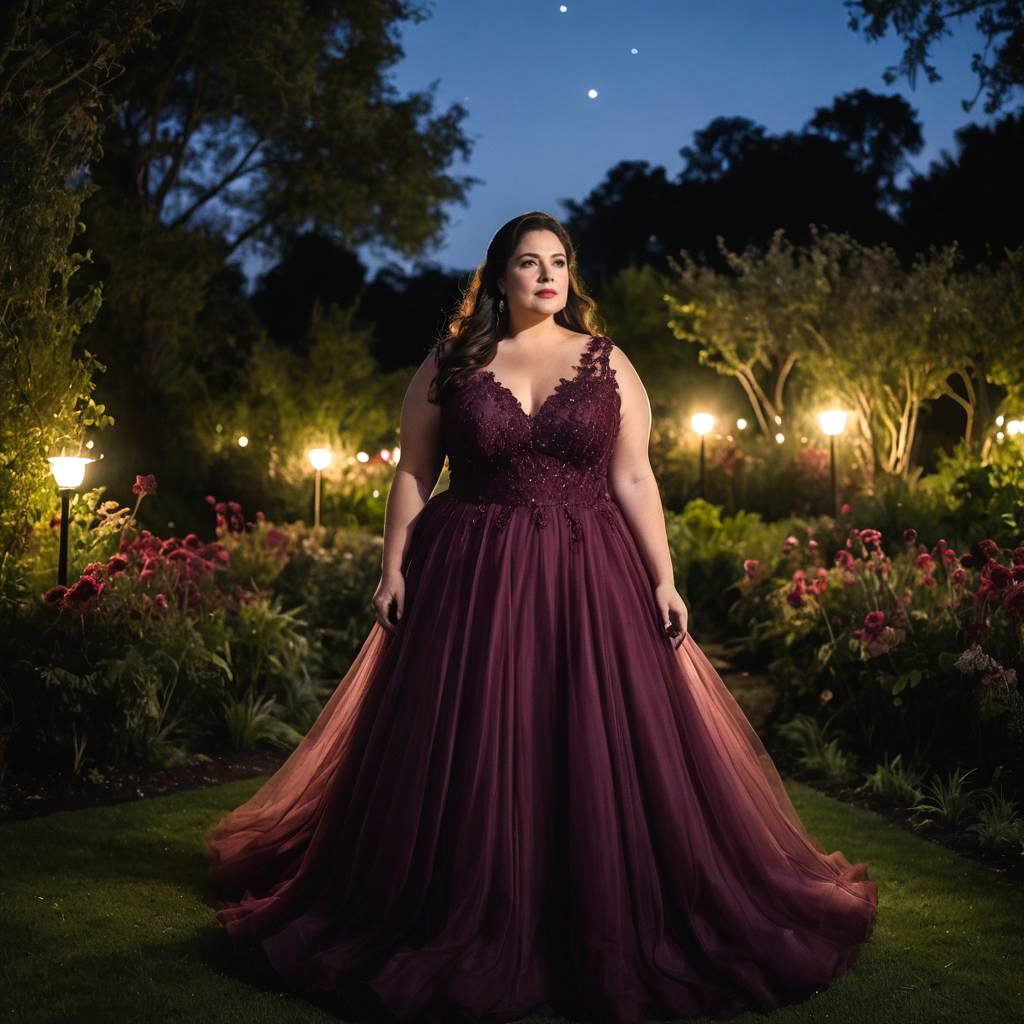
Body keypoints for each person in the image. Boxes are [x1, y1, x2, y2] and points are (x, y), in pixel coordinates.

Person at [204, 210, 878, 1024]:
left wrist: (664, 580)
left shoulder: (608, 361)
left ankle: (596, 908)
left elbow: (634, 480)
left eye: (558, 261)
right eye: (529, 263)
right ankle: (456, 905)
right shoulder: (451, 363)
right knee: (472, 738)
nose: (547, 275)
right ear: (498, 276)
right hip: (470, 573)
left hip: (589, 573)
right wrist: (392, 567)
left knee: (594, 739)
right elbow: (415, 474)